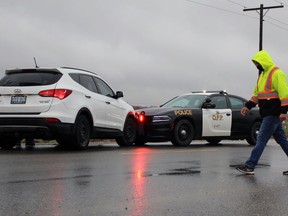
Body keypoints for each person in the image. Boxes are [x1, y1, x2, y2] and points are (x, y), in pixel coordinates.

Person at [236, 50, 288, 175]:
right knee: (282, 140)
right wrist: (248, 106)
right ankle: (250, 166)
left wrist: (284, 111)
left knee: (261, 139)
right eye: (255, 63)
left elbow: (284, 94)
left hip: (273, 113)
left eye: (257, 63)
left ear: (263, 61)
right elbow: (257, 95)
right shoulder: (262, 75)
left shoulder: (277, 73)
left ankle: (250, 166)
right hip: (267, 113)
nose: (256, 66)